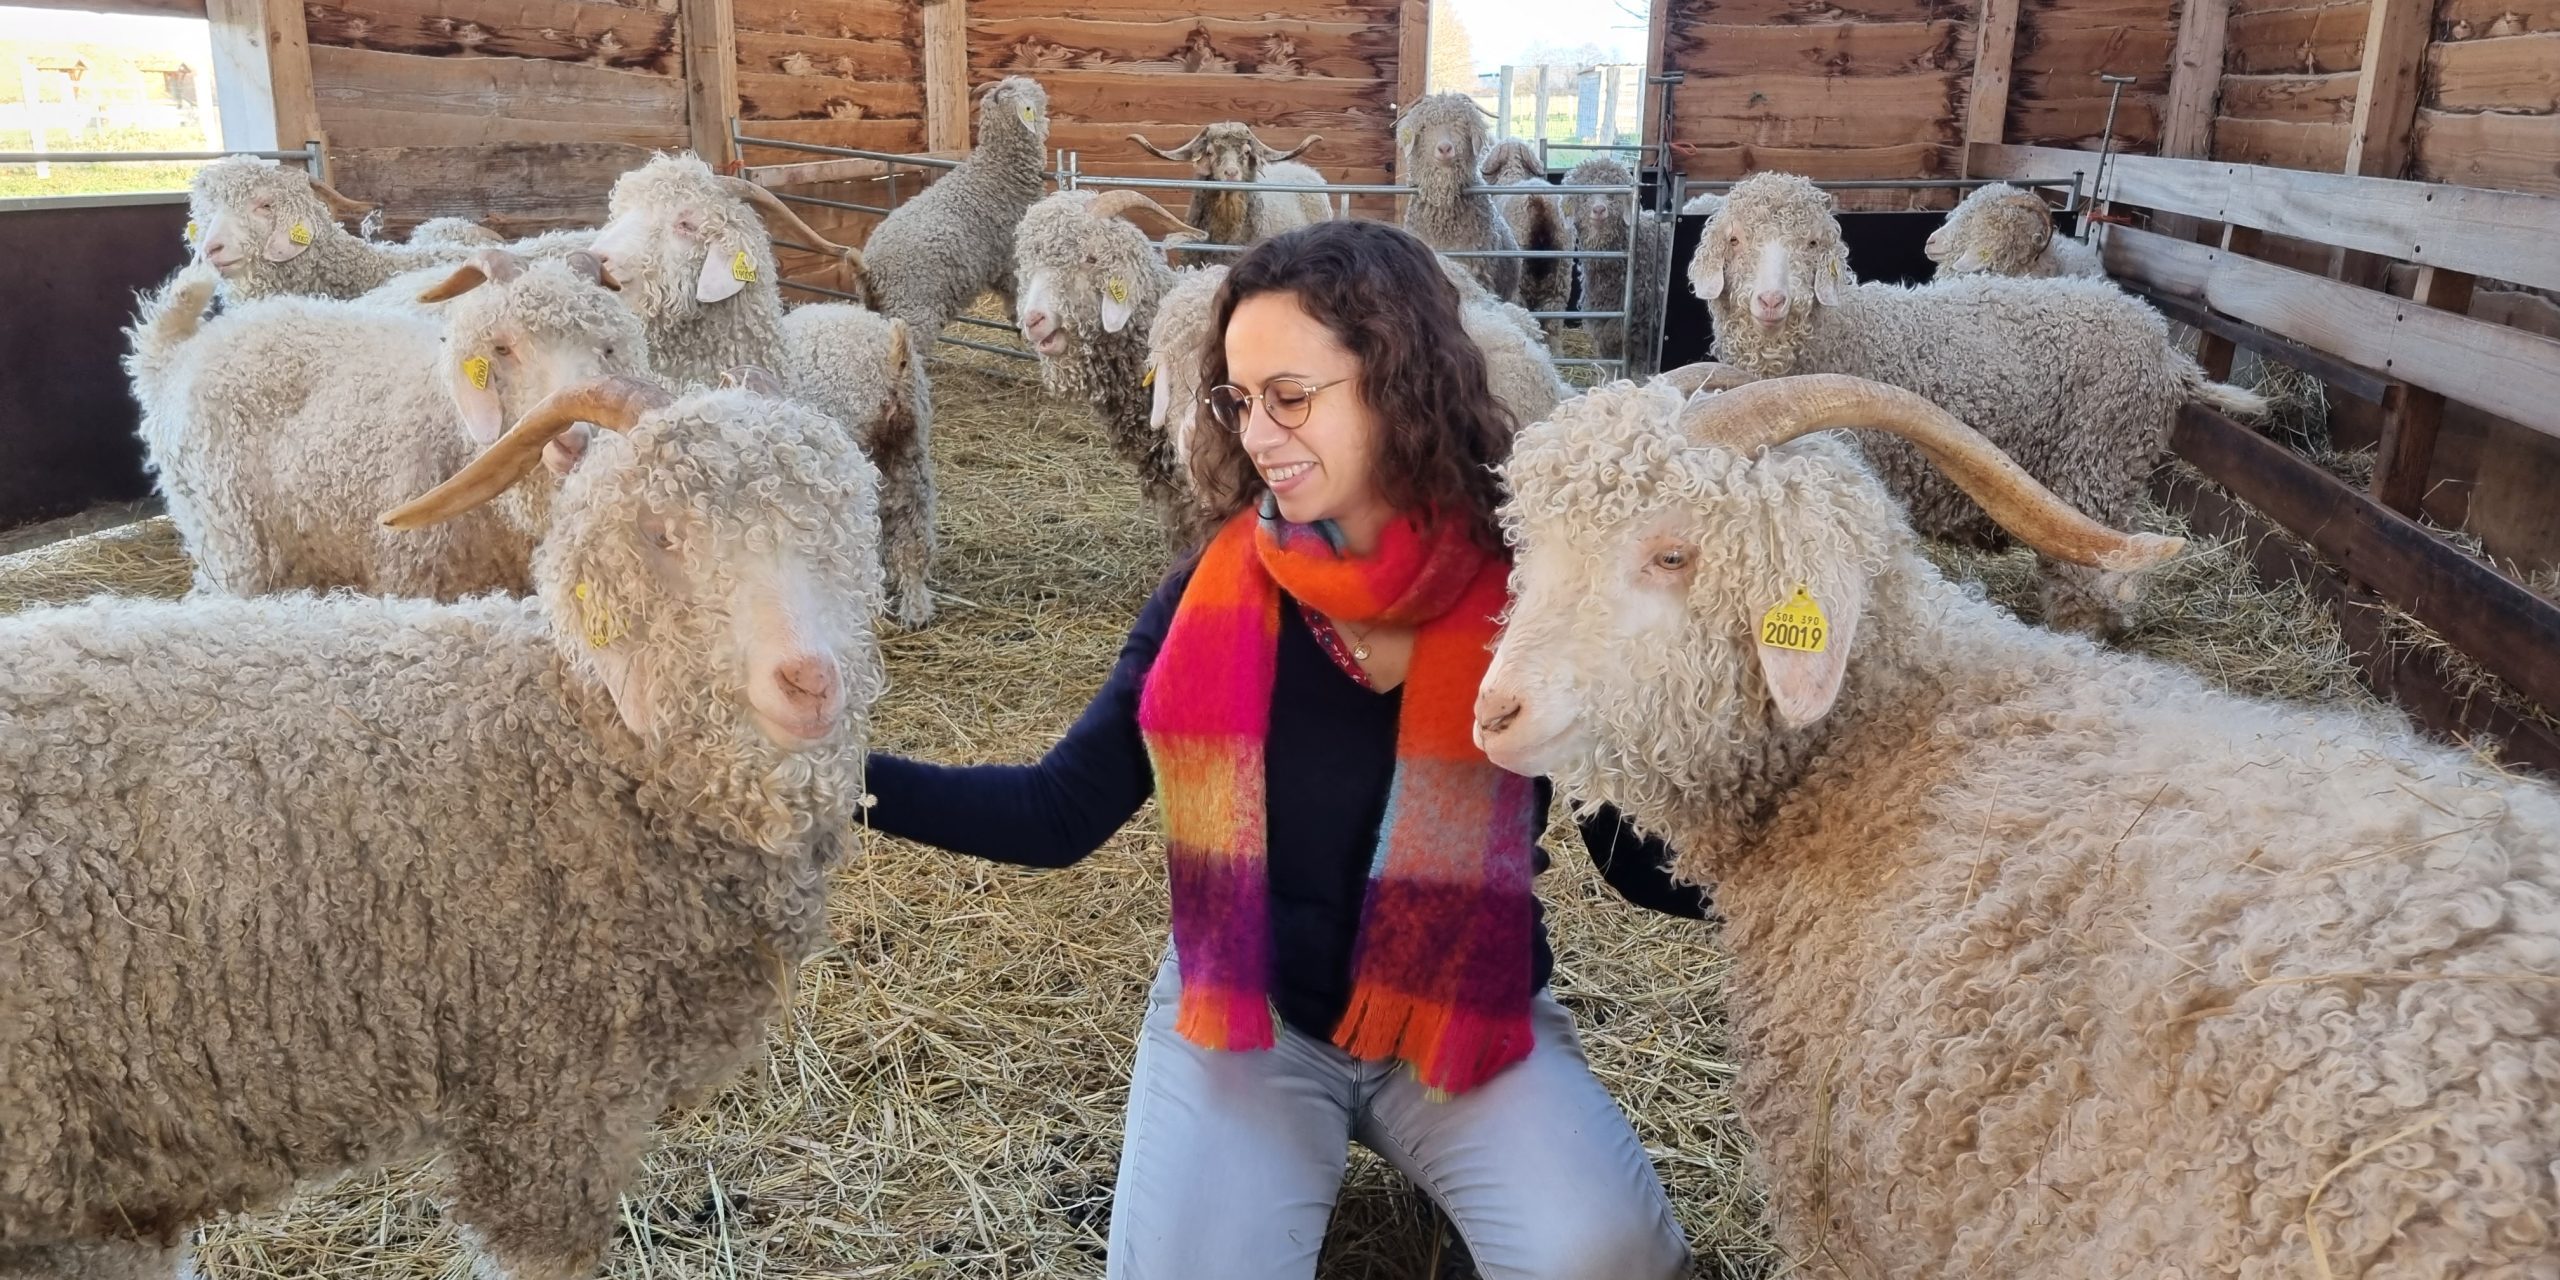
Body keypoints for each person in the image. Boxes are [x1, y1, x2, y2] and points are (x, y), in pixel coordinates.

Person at [863, 219, 1706, 1280]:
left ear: (1398, 379)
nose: (1258, 434)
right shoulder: (1211, 594)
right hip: (1253, 1013)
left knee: (1607, 1259)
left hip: (1463, 1010)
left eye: (1291, 396)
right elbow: (1058, 811)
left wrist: (1822, 882)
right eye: (1238, 398)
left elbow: (1633, 851)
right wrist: (828, 775)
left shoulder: (1531, 590)